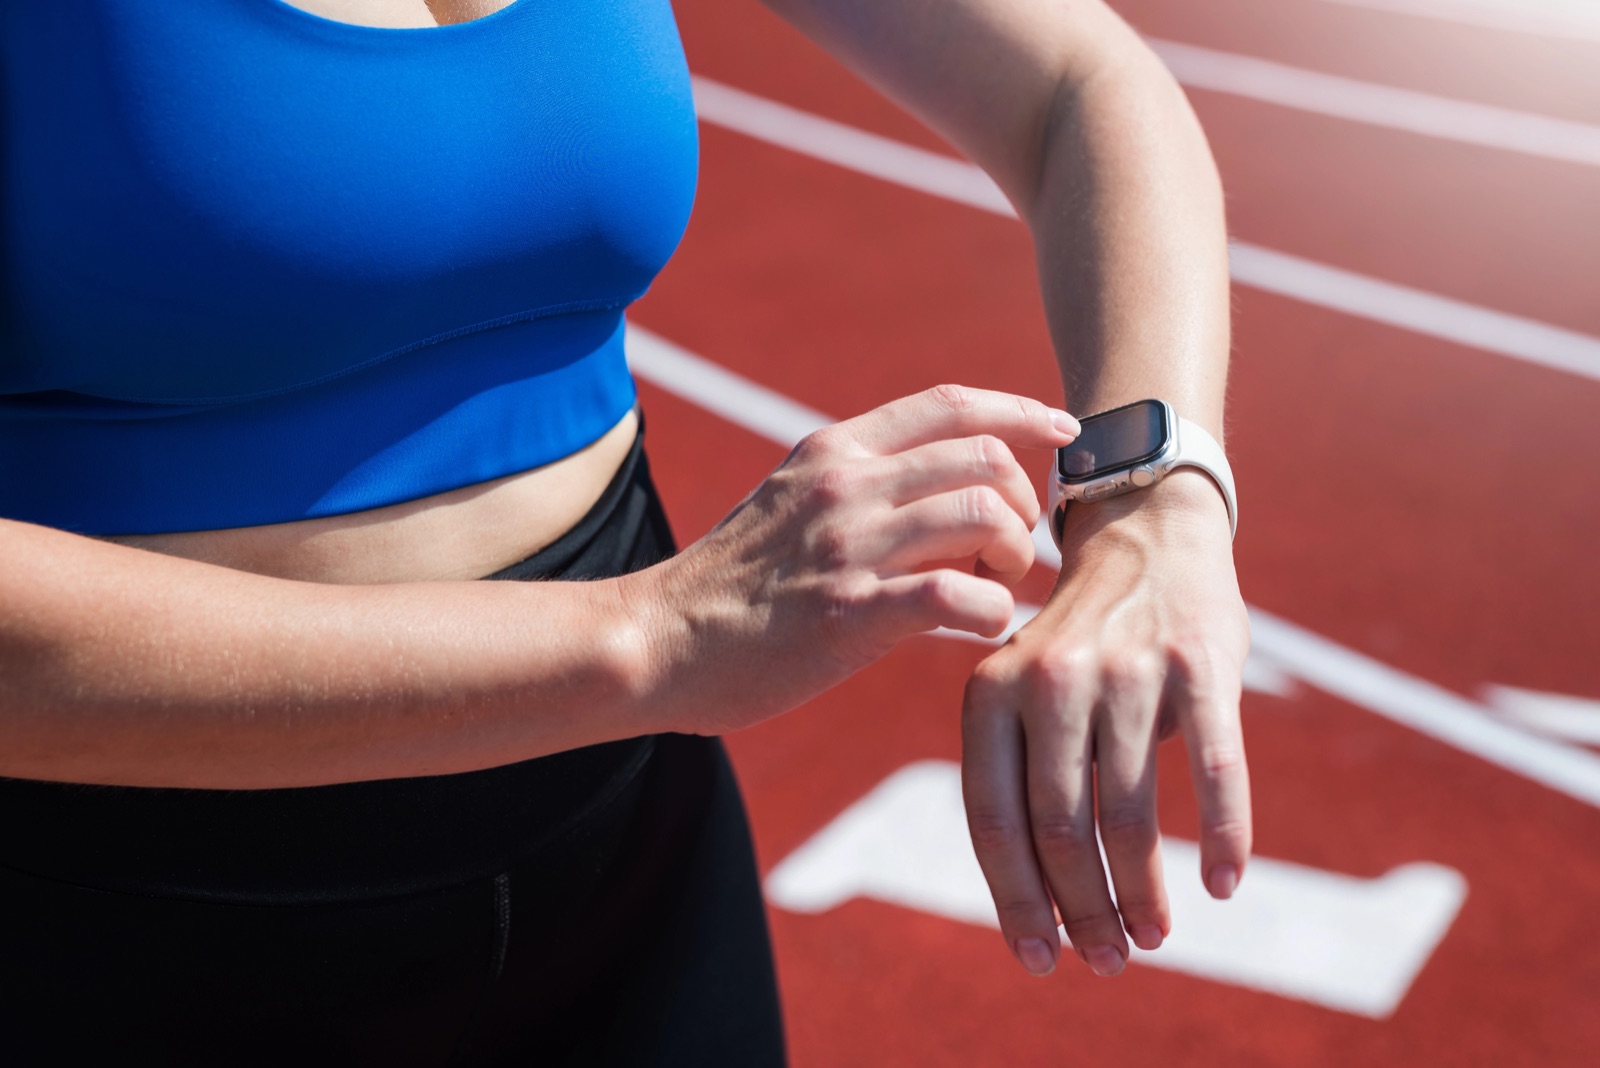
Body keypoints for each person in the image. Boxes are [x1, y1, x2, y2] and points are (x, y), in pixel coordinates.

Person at [0, 0, 1251, 1062]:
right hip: (115, 906)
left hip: (626, 848)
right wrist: (646, 636)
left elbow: (1082, 84)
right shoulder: (651, 642)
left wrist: (1154, 503)